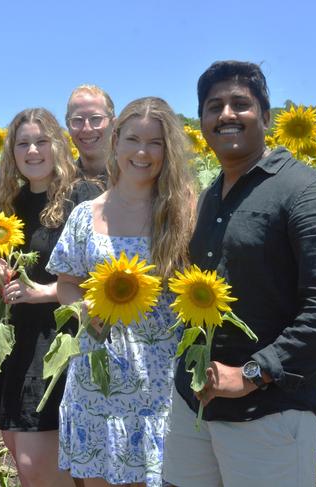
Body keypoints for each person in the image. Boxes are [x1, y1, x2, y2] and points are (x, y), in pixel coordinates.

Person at [162, 61, 316, 487]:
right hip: (194, 406)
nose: (226, 114)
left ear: (266, 117)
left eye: (240, 104)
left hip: (269, 413)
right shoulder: (210, 197)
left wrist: (253, 372)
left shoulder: (308, 193)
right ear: (203, 122)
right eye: (214, 107)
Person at [47, 97, 196, 486]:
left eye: (156, 143)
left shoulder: (183, 212)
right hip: (99, 375)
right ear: (116, 142)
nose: (142, 152)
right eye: (133, 139)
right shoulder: (86, 215)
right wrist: (83, 311)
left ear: (169, 151)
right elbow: (66, 283)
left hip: (160, 380)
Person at [0, 108, 100, 487]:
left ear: (57, 146)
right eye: (23, 143)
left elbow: (104, 278)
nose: (33, 151)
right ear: (12, 153)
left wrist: (43, 292)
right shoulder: (9, 203)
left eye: (41, 141)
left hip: (61, 340)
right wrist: (2, 273)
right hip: (19, 340)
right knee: (20, 453)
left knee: (39, 466)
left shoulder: (82, 197)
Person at [65, 84, 115, 186]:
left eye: (96, 118)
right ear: (68, 126)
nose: (87, 129)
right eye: (78, 120)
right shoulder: (59, 186)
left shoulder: (137, 177)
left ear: (113, 124)